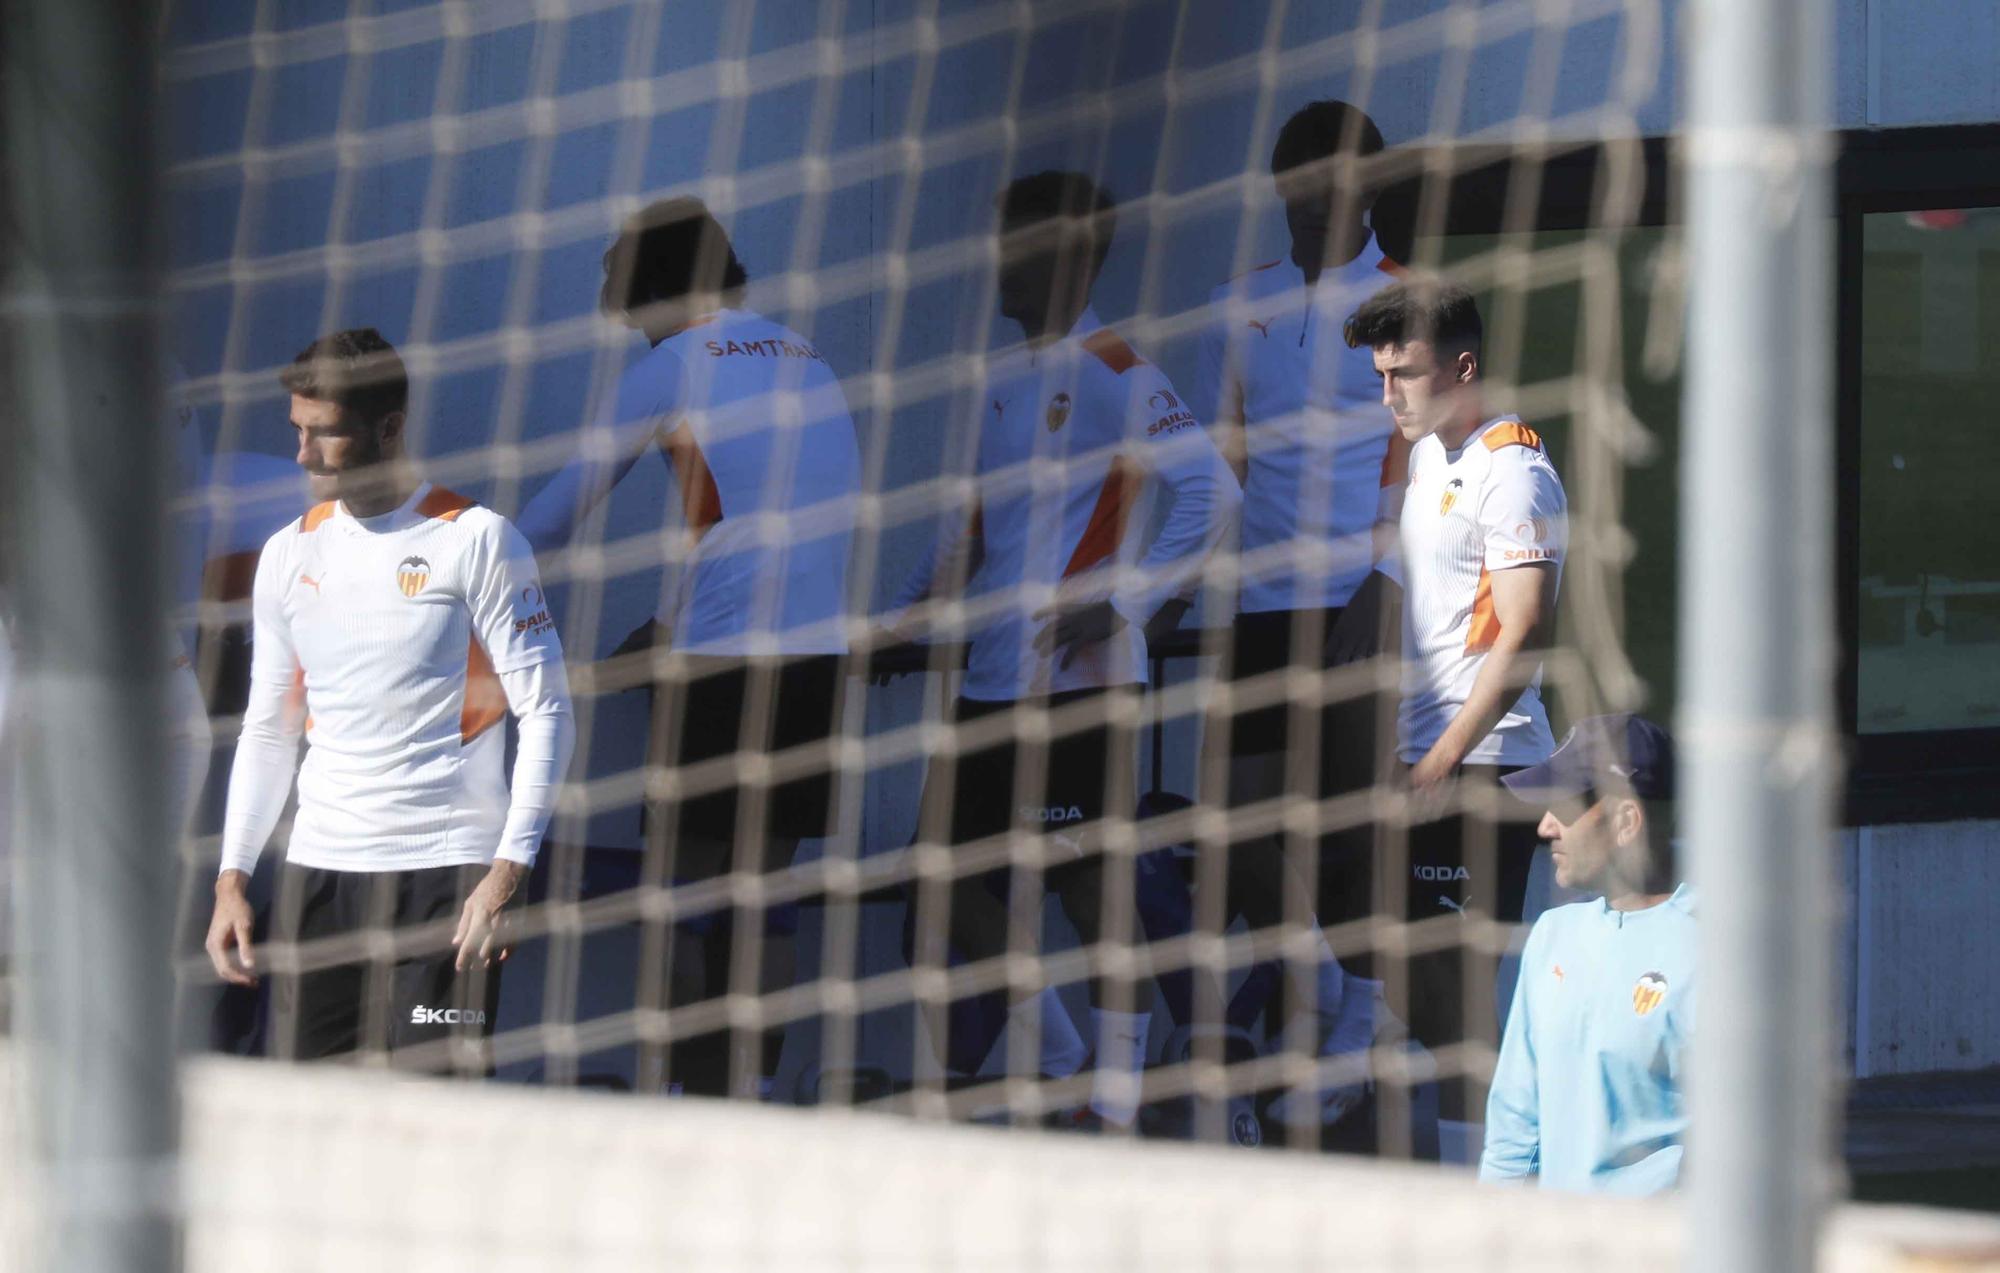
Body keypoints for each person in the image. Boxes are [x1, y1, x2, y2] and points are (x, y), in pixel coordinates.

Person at [881, 170, 1240, 1133]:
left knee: (1091, 893)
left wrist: (1122, 602)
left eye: (1021, 243)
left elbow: (1212, 493)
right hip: (991, 683)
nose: (1002, 259)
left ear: (1072, 257)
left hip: (1079, 691)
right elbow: (965, 532)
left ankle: (1115, 1111)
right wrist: (897, 622)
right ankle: (1069, 1055)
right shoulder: (1000, 379)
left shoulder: (1115, 367)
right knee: (938, 884)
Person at [516, 197, 861, 1098]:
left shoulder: (673, 363)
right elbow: (775, 522)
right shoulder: (804, 353)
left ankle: (673, 1109)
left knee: (677, 893)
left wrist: (457, 586)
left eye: (629, 307)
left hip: (720, 663)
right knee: (763, 898)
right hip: (818, 653)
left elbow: (554, 515)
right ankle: (757, 1105)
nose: (630, 329)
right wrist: (672, 614)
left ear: (657, 291)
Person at [203, 329, 575, 1072]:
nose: (303, 455)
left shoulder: (475, 539)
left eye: (324, 434)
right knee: (311, 1125)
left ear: (390, 428)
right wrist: (233, 877)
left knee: (435, 1132)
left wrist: (507, 873)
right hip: (321, 880)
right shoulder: (288, 552)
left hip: (447, 881)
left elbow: (549, 712)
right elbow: (268, 730)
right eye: (297, 432)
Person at [1181, 98, 1412, 1141]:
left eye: (1329, 184)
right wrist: (1175, 584)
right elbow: (1217, 468)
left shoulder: (1413, 302)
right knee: (1233, 824)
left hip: (1364, 606)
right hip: (1258, 606)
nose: (1310, 202)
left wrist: (1389, 579)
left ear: (1366, 188)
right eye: (1294, 184)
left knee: (1361, 826)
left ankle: (1363, 1018)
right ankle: (1333, 994)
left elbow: (1442, 463)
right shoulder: (1238, 304)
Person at [1342, 277, 1567, 1133]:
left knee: (1461, 1008)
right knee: (1418, 992)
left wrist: (1436, 761)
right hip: (1427, 757)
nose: (1389, 392)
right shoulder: (1429, 454)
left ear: (1463, 366)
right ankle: (1467, 1178)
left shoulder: (1516, 472)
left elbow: (1523, 635)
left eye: (1405, 372)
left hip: (1489, 765)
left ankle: (1492, 1203)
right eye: (1380, 374)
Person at [1480, 714, 1692, 1193]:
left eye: (1563, 806)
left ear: (1625, 821)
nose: (1545, 825)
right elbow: (1516, 1120)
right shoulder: (1554, 935)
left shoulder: (1717, 950)